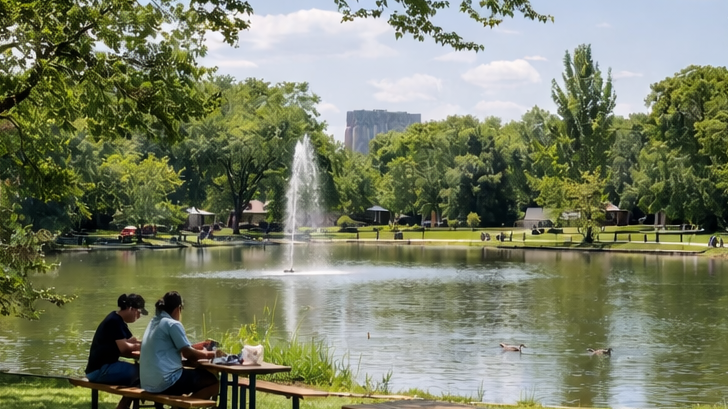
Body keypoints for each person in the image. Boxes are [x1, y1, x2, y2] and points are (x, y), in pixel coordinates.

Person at [139, 291, 218, 405]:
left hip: (147, 382)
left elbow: (176, 347)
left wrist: (196, 346)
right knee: (213, 382)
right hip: (166, 382)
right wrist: (210, 354)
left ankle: (180, 406)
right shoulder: (172, 324)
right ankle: (181, 407)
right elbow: (187, 353)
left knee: (199, 376)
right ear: (178, 308)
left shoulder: (154, 321)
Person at [85, 293, 148, 409]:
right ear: (131, 309)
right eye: (139, 312)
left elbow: (132, 341)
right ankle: (123, 406)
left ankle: (123, 405)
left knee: (142, 373)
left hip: (103, 368)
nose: (139, 316)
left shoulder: (118, 320)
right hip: (100, 370)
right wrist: (146, 347)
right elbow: (124, 348)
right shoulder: (114, 321)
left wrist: (148, 344)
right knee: (143, 373)